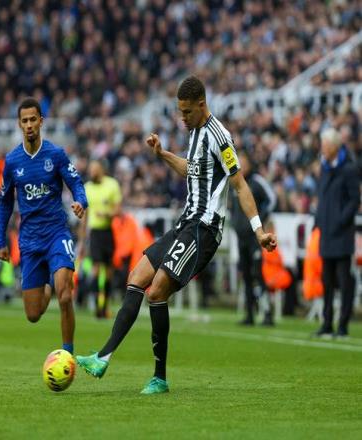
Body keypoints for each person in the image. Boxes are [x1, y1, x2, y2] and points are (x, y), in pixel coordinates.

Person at [76, 75, 277, 394]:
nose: (182, 118)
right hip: (185, 223)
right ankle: (103, 357)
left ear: (201, 104)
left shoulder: (220, 136)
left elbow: (239, 184)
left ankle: (159, 377)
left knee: (156, 291)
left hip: (204, 229)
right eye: (179, 112)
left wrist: (259, 230)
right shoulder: (194, 132)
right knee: (136, 276)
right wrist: (163, 154)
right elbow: (191, 170)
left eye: (186, 112)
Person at [0, 97, 88, 355]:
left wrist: (81, 201)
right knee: (33, 314)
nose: (29, 125)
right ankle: (48, 278)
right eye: (24, 121)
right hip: (30, 241)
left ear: (41, 121)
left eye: (33, 120)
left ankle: (67, 354)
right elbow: (4, 202)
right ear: (19, 124)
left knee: (65, 295)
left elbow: (76, 182)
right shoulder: (12, 161)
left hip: (56, 233)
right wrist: (0, 240)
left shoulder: (55, 154)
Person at [314, 127, 360, 338]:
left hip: (341, 235)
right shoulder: (325, 168)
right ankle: (327, 323)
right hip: (326, 234)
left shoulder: (349, 169)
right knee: (327, 282)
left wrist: (341, 220)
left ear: (334, 146)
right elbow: (322, 198)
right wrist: (319, 221)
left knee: (344, 281)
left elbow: (354, 200)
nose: (322, 149)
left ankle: (343, 324)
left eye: (325, 145)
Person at [230, 150, 276, 325]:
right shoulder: (235, 182)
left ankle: (267, 313)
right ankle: (249, 314)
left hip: (255, 238)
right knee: (246, 276)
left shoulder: (257, 182)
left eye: (243, 162)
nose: (241, 165)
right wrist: (235, 222)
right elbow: (232, 207)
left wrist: (259, 222)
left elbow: (271, 200)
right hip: (241, 237)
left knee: (258, 274)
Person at [79, 160, 122, 318]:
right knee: (96, 268)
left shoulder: (112, 185)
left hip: (109, 231)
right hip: (95, 233)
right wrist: (82, 241)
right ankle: (97, 306)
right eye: (91, 169)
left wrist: (107, 214)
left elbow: (118, 210)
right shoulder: (87, 188)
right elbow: (85, 216)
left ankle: (106, 306)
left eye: (95, 169)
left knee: (109, 271)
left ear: (102, 170)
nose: (92, 172)